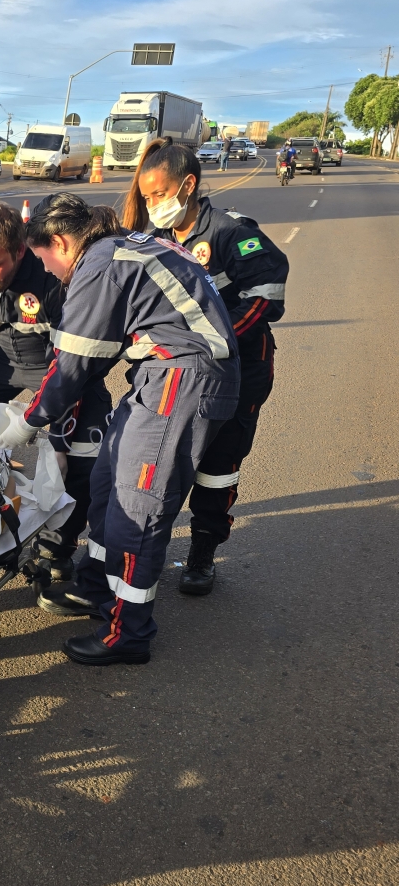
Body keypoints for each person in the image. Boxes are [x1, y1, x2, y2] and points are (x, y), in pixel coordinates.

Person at [0, 194, 239, 665]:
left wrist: (28, 421)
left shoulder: (100, 263)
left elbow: (72, 365)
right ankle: (96, 589)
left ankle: (127, 633)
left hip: (181, 379)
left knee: (137, 506)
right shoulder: (120, 247)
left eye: (44, 257)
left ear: (61, 242)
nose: (45, 270)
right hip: (163, 376)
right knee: (107, 484)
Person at [124, 137, 288, 594]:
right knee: (161, 464)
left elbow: (267, 292)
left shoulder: (230, 232)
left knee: (217, 468)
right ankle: (146, 549)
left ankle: (202, 555)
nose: (153, 204)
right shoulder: (156, 240)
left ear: (188, 185)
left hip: (238, 374)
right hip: (178, 376)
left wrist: (216, 342)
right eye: (147, 197)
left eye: (159, 194)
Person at [0, 201, 112, 576]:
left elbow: (72, 367)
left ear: (20, 251)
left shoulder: (52, 276)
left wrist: (59, 439)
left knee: (81, 451)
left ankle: (56, 549)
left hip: (53, 363)